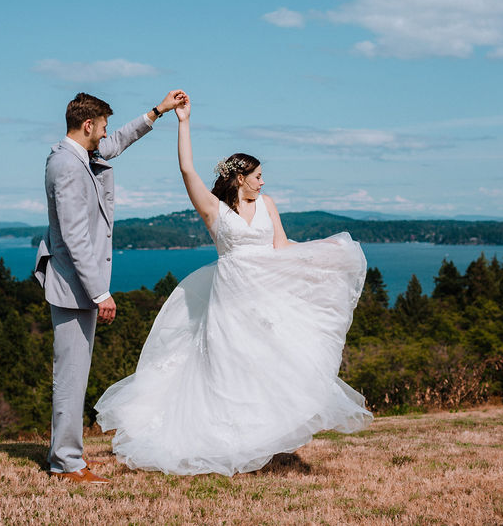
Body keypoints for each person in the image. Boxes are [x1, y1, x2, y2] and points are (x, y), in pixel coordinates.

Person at [95, 92, 372, 476]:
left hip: (266, 298)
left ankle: (258, 442)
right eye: (258, 176)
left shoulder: (268, 204)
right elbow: (187, 171)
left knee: (265, 365)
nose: (263, 182)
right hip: (228, 300)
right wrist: (183, 122)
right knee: (227, 366)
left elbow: (281, 246)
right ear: (240, 178)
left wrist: (324, 254)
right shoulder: (214, 209)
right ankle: (225, 443)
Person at [34, 90, 187, 484]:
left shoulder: (79, 154)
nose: (105, 136)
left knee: (75, 374)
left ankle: (69, 456)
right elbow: (72, 236)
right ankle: (65, 463)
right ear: (87, 125)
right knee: (70, 376)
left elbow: (117, 142)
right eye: (101, 128)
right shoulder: (66, 165)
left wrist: (158, 111)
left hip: (76, 284)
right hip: (73, 286)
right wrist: (100, 292)